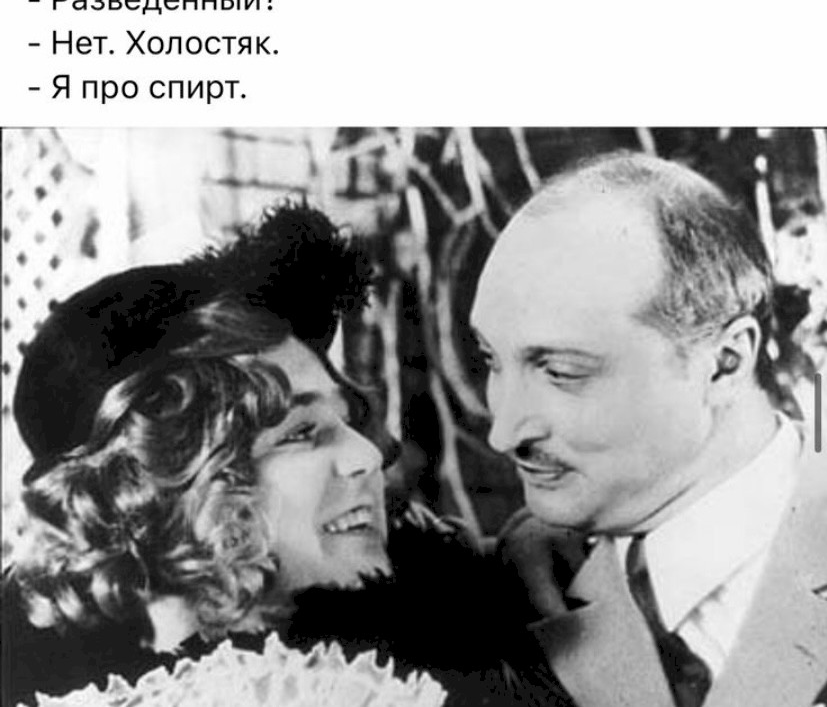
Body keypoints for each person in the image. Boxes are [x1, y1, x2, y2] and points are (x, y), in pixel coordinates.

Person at [2, 202, 570, 707]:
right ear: (160, 491)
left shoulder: (466, 644)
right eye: (300, 433)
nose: (367, 456)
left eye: (347, 420)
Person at [470, 151, 827, 707]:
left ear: (725, 363)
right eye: (491, 360)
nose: (504, 432)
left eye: (562, 372)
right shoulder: (521, 575)